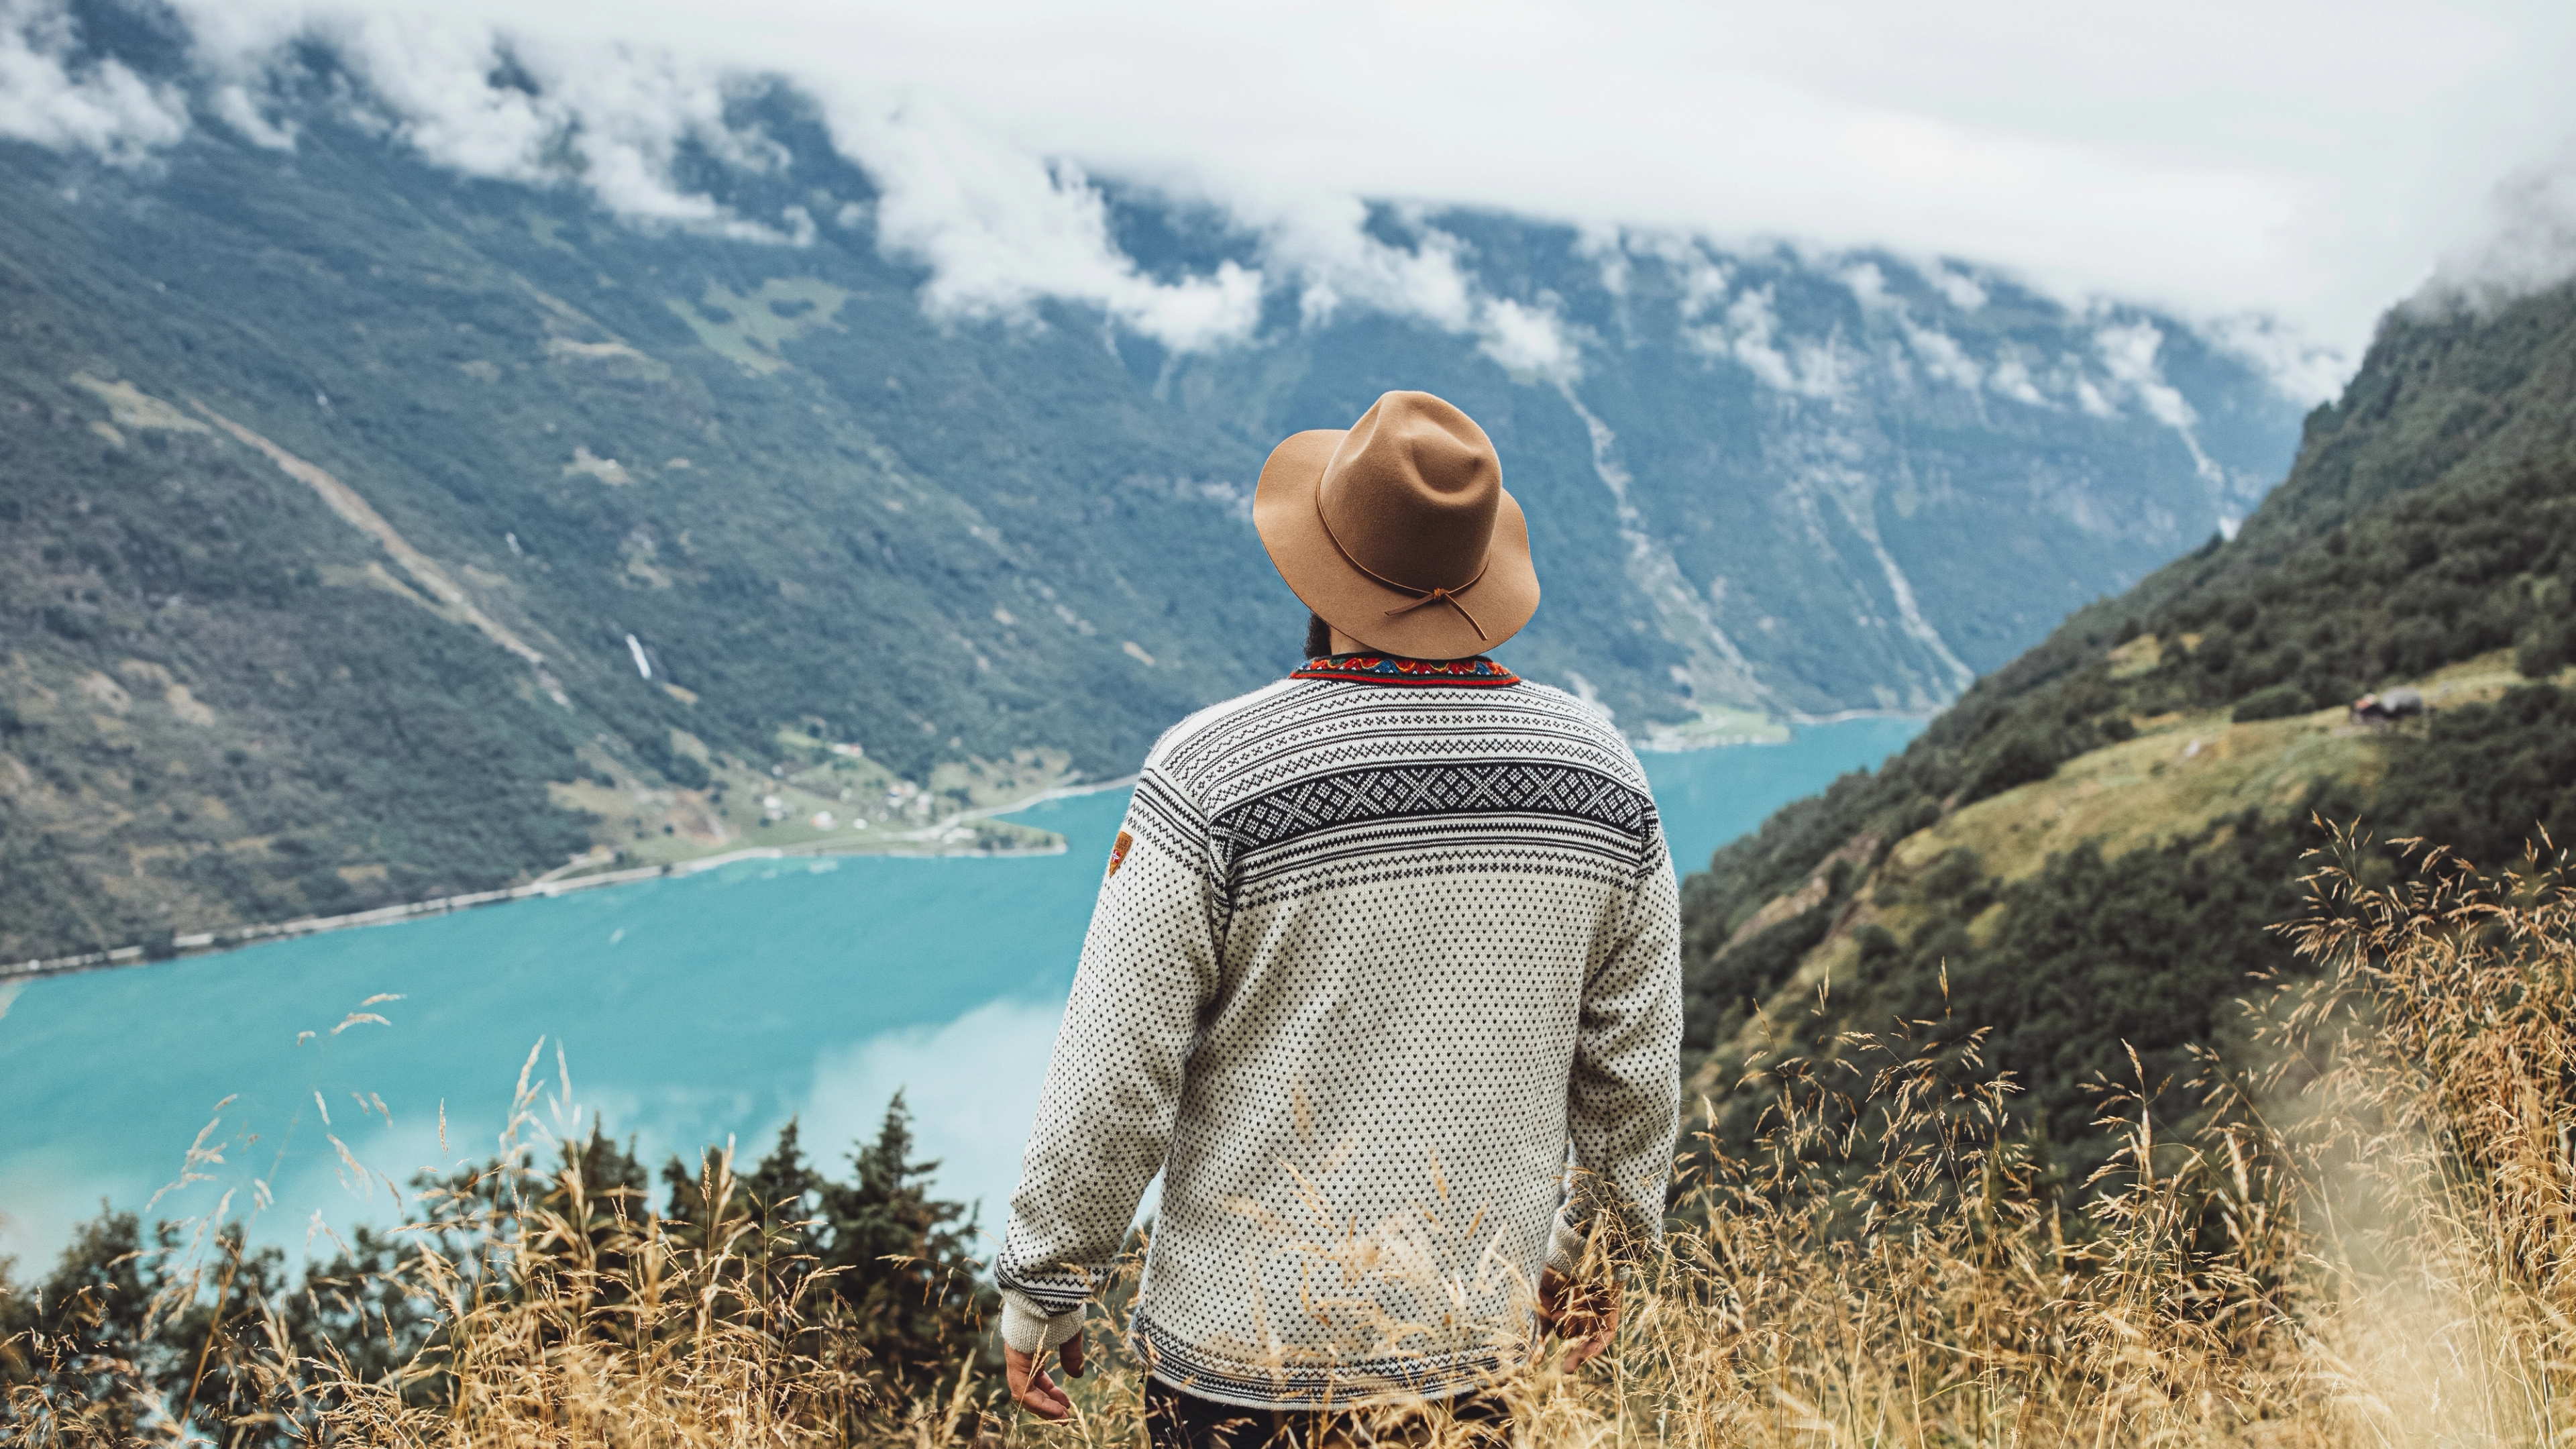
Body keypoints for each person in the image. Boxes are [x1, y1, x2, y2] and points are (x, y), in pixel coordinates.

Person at [991, 390, 1684, 1446]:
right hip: (1477, 1361)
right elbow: (1632, 1077)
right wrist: (1595, 1258)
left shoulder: (1214, 773)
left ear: (1319, 560)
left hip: (1242, 1365)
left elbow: (1118, 1064)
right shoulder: (1602, 777)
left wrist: (1049, 1283)